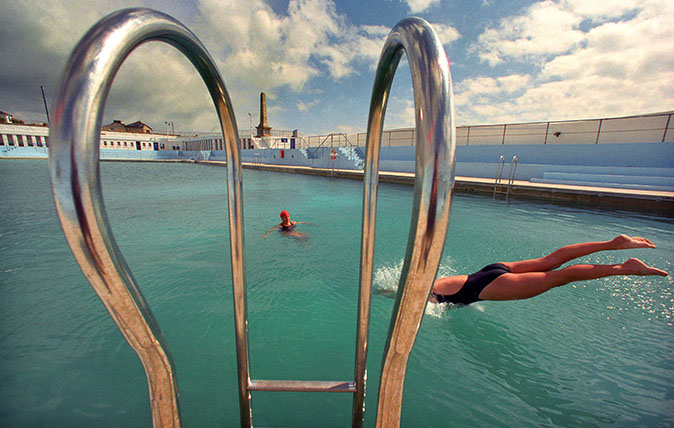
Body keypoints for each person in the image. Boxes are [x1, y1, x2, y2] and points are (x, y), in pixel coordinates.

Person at [430, 235, 668, 305]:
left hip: (486, 286)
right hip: (487, 271)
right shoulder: (426, 283)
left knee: (562, 277)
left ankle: (623, 268)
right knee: (551, 260)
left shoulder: (420, 299)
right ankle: (613, 243)